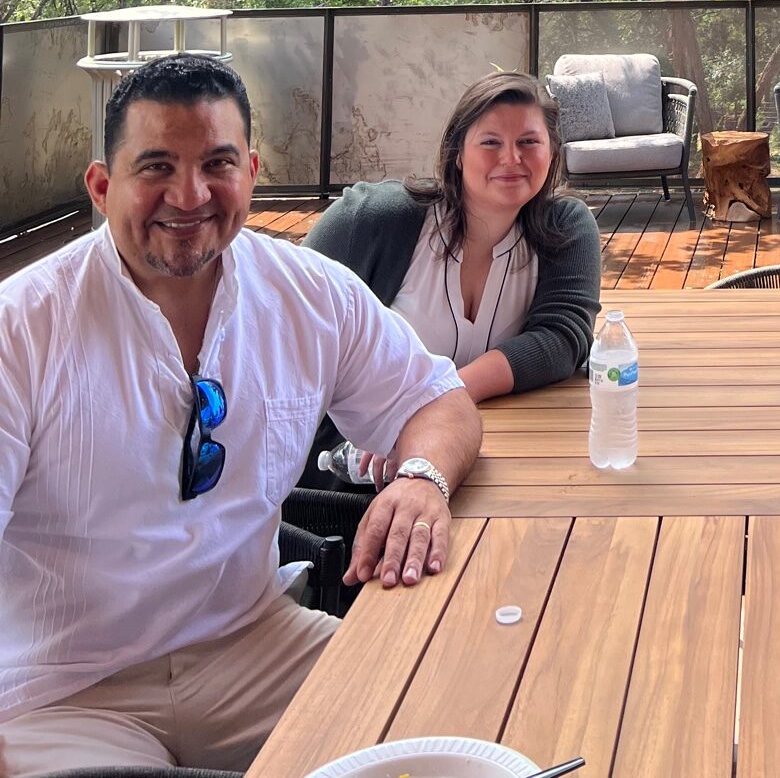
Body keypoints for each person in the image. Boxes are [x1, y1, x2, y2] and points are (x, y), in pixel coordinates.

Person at [0, 53, 481, 778]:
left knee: (463, 711)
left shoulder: (310, 294)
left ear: (251, 172)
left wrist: (419, 479)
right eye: (156, 167)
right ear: (103, 186)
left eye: (216, 164)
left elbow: (437, 400)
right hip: (63, 691)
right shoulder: (22, 327)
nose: (189, 195)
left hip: (255, 643)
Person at [305, 72, 600, 464]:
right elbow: (286, 318)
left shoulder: (565, 226)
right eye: (490, 142)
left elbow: (564, 336)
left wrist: (437, 400)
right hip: (344, 468)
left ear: (553, 153)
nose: (511, 158)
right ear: (457, 154)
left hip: (487, 454)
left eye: (529, 142)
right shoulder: (373, 220)